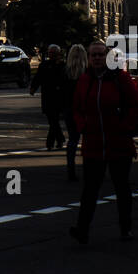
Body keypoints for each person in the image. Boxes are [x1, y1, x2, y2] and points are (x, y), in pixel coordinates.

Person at [69, 40, 138, 244]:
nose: (97, 58)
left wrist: (125, 127)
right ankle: (82, 229)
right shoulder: (85, 80)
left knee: (121, 188)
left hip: (118, 143)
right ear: (89, 58)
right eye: (93, 55)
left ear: (108, 56)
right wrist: (82, 125)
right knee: (89, 190)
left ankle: (125, 227)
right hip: (93, 144)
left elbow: (135, 106)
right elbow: (76, 108)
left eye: (100, 54)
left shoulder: (121, 78)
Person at [30, 44, 68, 151]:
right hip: (47, 97)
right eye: (50, 53)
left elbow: (65, 81)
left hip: (59, 97)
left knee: (54, 121)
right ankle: (59, 140)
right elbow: (38, 77)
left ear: (58, 54)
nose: (51, 55)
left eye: (54, 53)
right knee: (52, 121)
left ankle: (51, 143)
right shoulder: (44, 65)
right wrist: (33, 88)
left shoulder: (62, 65)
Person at [62, 44, 85, 180]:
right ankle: (90, 167)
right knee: (89, 138)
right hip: (85, 109)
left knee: (72, 139)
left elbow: (61, 92)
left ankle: (70, 167)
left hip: (69, 109)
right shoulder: (88, 71)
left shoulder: (65, 71)